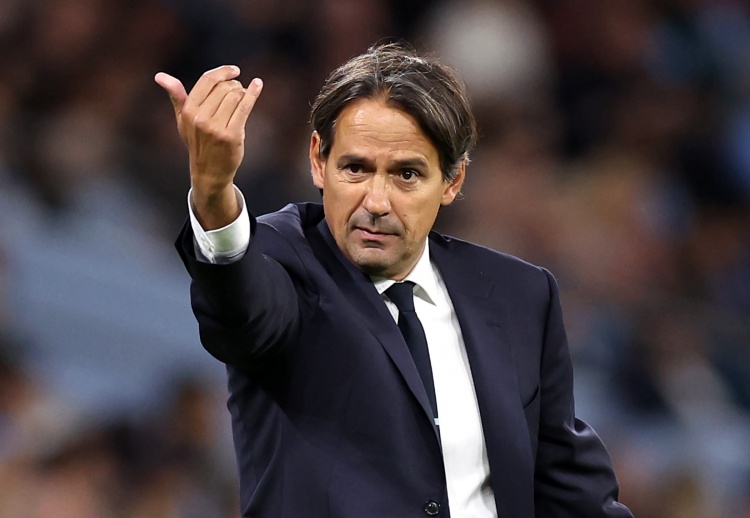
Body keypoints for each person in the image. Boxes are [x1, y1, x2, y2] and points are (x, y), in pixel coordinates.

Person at [155, 43, 633, 518]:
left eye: (406, 174)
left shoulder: (520, 295)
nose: (376, 202)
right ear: (319, 160)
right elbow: (241, 310)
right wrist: (214, 193)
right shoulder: (280, 256)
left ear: (452, 181)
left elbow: (569, 489)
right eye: (355, 168)